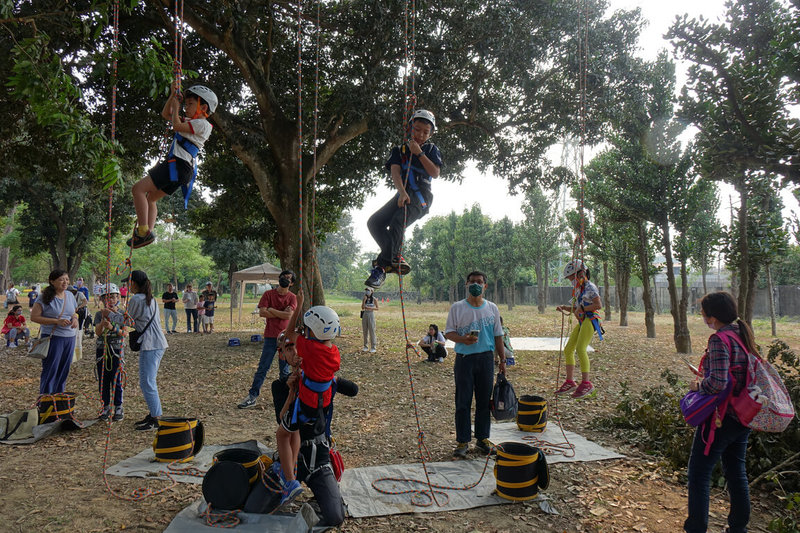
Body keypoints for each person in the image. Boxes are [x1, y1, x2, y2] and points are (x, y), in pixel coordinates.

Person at [684, 291, 754, 533]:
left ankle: (696, 528)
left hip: (720, 419)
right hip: (743, 416)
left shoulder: (718, 340)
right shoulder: (742, 334)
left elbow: (717, 383)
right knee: (736, 472)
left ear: (711, 317)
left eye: (703, 312)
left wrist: (698, 385)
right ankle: (738, 528)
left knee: (699, 475)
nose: (701, 316)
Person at [126, 83, 217, 249]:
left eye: (190, 104)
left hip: (178, 165)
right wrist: (173, 98)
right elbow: (165, 114)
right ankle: (147, 233)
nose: (186, 107)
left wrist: (176, 109)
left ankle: (143, 231)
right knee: (151, 198)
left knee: (137, 189)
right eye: (186, 104)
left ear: (203, 107)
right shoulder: (193, 122)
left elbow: (175, 125)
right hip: (181, 170)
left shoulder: (202, 125)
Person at [274, 289, 342, 507]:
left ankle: (290, 482)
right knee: (292, 432)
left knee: (282, 435)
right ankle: (292, 469)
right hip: (320, 405)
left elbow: (288, 334)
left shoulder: (308, 348)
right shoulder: (333, 353)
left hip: (306, 406)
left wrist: (299, 304)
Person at [365, 110, 443, 288]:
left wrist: (419, 153)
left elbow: (435, 173)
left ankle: (382, 267)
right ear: (410, 129)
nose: (420, 135)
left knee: (398, 221)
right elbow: (395, 171)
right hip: (403, 191)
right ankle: (395, 256)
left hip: (421, 195)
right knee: (375, 222)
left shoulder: (431, 150)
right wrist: (401, 192)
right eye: (417, 130)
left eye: (425, 132)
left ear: (430, 134)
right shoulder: (399, 151)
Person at [445, 271, 505, 458]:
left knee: (484, 402)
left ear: (485, 286)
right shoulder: (457, 308)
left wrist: (502, 360)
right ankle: (462, 441)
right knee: (462, 401)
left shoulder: (492, 308)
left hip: (486, 359)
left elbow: (498, 336)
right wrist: (463, 339)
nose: (476, 285)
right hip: (464, 360)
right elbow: (448, 333)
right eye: (472, 282)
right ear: (466, 284)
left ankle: (482, 439)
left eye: (479, 282)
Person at [238, 270, 297, 409]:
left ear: (292, 283)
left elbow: (288, 316)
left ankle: (285, 398)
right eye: (283, 277)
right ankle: (252, 396)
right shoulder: (268, 294)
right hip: (270, 336)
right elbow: (262, 313)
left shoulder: (292, 297)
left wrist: (271, 310)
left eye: (288, 278)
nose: (285, 279)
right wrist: (279, 313)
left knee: (284, 369)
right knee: (263, 367)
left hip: (285, 338)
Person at [554, 259, 602, 400]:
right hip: (583, 320)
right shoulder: (579, 290)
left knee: (581, 348)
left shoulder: (590, 287)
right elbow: (577, 308)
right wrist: (565, 307)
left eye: (571, 278)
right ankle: (570, 381)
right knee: (568, 349)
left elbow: (598, 304)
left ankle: (586, 383)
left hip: (591, 318)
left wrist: (583, 309)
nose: (571, 281)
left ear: (580, 274)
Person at [127, 270, 168, 431]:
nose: (127, 285)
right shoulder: (151, 299)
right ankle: (154, 414)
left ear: (135, 283)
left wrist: (110, 315)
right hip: (157, 344)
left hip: (150, 344)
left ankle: (156, 418)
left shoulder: (137, 299)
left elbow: (127, 320)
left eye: (129, 282)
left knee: (147, 382)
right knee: (148, 381)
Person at [30, 269, 80, 394]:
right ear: (52, 281)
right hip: (53, 338)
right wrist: (56, 321)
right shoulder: (44, 298)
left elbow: (74, 312)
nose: (65, 282)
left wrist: (75, 319)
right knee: (51, 370)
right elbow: (34, 317)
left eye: (67, 279)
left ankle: (58, 399)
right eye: (61, 279)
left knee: (64, 369)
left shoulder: (69, 295)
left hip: (70, 338)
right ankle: (46, 401)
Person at [94, 283, 126, 422]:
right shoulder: (99, 314)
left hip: (116, 349)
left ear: (118, 297)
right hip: (102, 349)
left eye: (113, 297)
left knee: (116, 379)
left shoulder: (122, 314)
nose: (111, 300)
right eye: (107, 298)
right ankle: (105, 406)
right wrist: (103, 322)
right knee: (103, 380)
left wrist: (112, 327)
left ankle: (118, 406)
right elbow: (98, 332)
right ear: (102, 300)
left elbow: (124, 333)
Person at [68, 286, 89, 363]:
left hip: (80, 312)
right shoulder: (67, 295)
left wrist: (78, 307)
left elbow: (85, 301)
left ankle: (79, 340)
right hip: (72, 313)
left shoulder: (79, 294)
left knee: (79, 328)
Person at [360, 287, 378, 353]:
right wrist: (364, 301)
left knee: (372, 331)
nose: (367, 291)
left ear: (372, 292)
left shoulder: (374, 299)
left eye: (368, 290)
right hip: (365, 314)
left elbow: (377, 308)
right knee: (365, 331)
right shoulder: (365, 298)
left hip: (371, 314)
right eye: (366, 290)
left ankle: (373, 347)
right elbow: (362, 307)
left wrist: (371, 308)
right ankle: (365, 346)